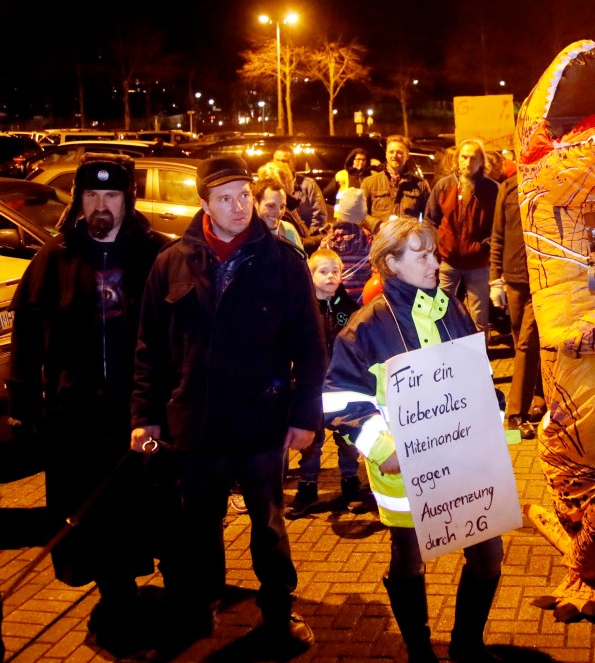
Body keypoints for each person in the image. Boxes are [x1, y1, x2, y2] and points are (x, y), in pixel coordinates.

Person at [131, 155, 326, 650]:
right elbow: (150, 349)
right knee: (198, 525)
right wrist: (145, 415)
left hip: (262, 420)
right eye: (226, 198)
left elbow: (309, 344)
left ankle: (279, 610)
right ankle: (200, 605)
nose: (240, 207)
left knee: (268, 524)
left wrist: (306, 416)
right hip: (194, 424)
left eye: (244, 195)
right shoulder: (171, 262)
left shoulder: (283, 261)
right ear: (203, 204)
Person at [324, 218, 504, 663]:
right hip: (401, 470)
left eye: (433, 252)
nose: (434, 261)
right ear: (391, 264)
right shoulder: (366, 326)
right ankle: (419, 651)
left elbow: (477, 373)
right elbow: (338, 398)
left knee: (488, 556)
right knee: (409, 561)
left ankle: (467, 646)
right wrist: (382, 448)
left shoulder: (453, 308)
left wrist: (492, 414)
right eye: (421, 255)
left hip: (464, 461)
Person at [8, 156, 169, 648]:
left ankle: (134, 587)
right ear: (79, 200)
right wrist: (26, 404)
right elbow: (27, 339)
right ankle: (113, 593)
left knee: (140, 508)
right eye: (92, 196)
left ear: (128, 200)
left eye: (112, 196)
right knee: (86, 512)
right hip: (74, 417)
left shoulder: (155, 255)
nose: (102, 206)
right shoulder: (55, 257)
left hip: (138, 414)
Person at [287, 248, 364, 519]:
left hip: (342, 385)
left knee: (346, 437)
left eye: (336, 271)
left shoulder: (349, 308)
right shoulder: (302, 310)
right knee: (312, 441)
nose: (331, 276)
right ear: (311, 275)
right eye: (323, 271)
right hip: (312, 389)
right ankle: (307, 488)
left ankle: (350, 483)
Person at [489, 174, 544, 440]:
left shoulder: (551, 183)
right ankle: (537, 397)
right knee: (520, 341)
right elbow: (498, 234)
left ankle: (515, 415)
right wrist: (494, 278)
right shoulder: (508, 188)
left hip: (541, 277)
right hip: (513, 278)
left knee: (527, 344)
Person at [426, 138, 499, 337]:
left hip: (478, 264)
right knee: (439, 314)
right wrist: (436, 248)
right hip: (448, 263)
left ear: (481, 162)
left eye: (473, 158)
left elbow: (499, 226)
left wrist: (485, 246)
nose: (468, 162)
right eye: (464, 157)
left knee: (479, 319)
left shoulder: (492, 190)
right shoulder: (444, 186)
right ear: (457, 159)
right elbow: (431, 220)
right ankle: (444, 361)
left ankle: (480, 364)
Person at [322, 187, 375, 303]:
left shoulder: (328, 241)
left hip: (335, 300)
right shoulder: (368, 240)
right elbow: (375, 270)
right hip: (361, 300)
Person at [363, 134, 430, 224]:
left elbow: (429, 218)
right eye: (391, 152)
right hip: (380, 236)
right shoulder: (370, 183)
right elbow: (360, 215)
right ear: (386, 155)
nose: (394, 155)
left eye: (399, 152)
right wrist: (377, 226)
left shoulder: (420, 184)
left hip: (408, 236)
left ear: (407, 156)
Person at [272, 146, 328, 233]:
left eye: (284, 161)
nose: (279, 164)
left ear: (293, 163)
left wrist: (308, 238)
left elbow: (319, 218)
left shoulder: (308, 185)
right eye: (276, 160)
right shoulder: (269, 186)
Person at [252, 179, 304, 250]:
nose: (278, 212)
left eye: (282, 207)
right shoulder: (245, 235)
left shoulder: (288, 230)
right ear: (255, 203)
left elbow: (302, 260)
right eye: (271, 206)